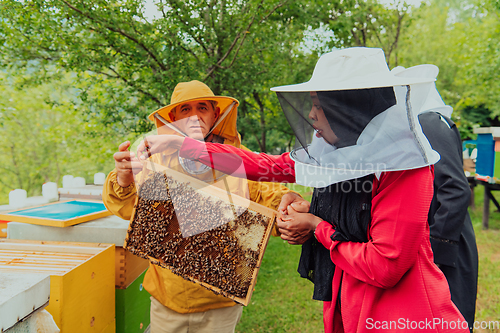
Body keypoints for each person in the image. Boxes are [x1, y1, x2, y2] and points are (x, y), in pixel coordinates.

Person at [140, 48, 470, 332]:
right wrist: (183, 146)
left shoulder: (405, 170)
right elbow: (263, 165)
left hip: (404, 314)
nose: (311, 115)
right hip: (349, 303)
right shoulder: (341, 154)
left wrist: (317, 227)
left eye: (318, 105)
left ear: (348, 109)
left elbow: (385, 266)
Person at [102, 80, 295, 333]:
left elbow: (271, 195)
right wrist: (123, 179)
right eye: (185, 110)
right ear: (173, 117)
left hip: (221, 301)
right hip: (167, 298)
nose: (194, 116)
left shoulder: (238, 157)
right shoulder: (156, 160)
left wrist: (289, 206)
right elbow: (128, 208)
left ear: (215, 114)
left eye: (202, 108)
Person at [392, 65, 479, 330]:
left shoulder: (428, 121)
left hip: (448, 241)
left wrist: (436, 249)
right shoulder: (431, 121)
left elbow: (455, 189)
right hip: (444, 236)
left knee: (450, 316)